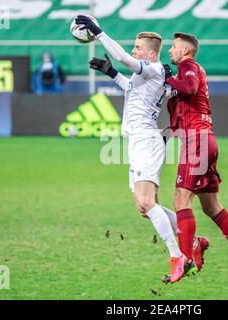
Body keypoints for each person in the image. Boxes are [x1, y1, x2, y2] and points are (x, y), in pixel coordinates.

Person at [74, 15, 187, 283]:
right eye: (134, 47)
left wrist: (99, 33)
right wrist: (110, 73)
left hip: (147, 140)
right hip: (138, 142)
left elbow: (125, 58)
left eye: (138, 47)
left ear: (150, 52)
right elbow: (131, 89)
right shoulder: (151, 74)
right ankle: (191, 237)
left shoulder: (154, 69)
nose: (134, 51)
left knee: (147, 203)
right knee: (144, 207)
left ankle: (177, 256)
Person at [164, 32, 228, 286]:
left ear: (186, 50)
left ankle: (185, 259)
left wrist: (168, 77)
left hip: (198, 141)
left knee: (180, 199)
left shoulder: (188, 66)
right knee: (210, 206)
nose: (170, 51)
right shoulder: (188, 69)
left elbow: (190, 87)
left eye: (173, 47)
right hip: (205, 140)